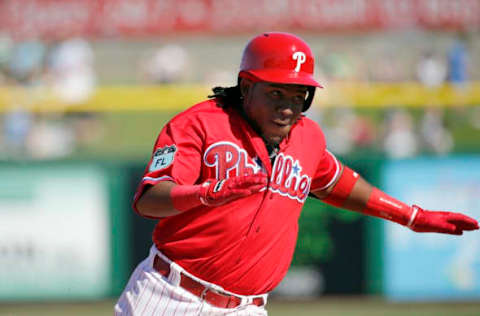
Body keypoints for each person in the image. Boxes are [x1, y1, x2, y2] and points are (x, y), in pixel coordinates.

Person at [115, 32, 478, 316]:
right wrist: (208, 193)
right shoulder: (198, 124)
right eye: (276, 93)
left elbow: (338, 183)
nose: (287, 107)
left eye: (298, 96)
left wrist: (411, 216)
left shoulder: (308, 137)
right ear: (246, 87)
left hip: (246, 307)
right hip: (170, 295)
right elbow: (149, 200)